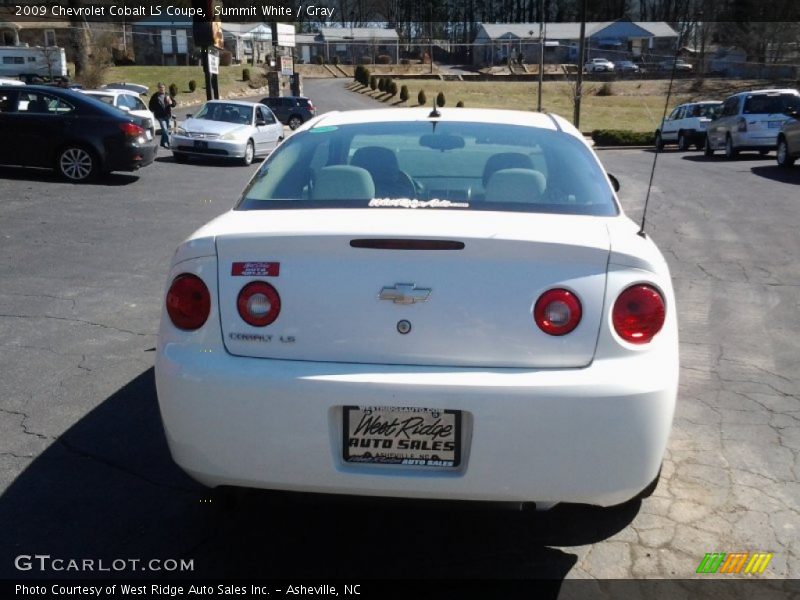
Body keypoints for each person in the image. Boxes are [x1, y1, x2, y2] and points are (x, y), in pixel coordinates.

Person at [149, 82, 176, 148]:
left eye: (163, 87)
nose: (162, 89)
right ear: (158, 88)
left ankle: (162, 142)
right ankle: (169, 143)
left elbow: (174, 103)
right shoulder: (155, 96)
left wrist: (171, 103)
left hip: (167, 115)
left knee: (165, 130)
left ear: (165, 88)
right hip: (160, 116)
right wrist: (154, 110)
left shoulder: (168, 95)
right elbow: (150, 106)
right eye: (160, 87)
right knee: (165, 130)